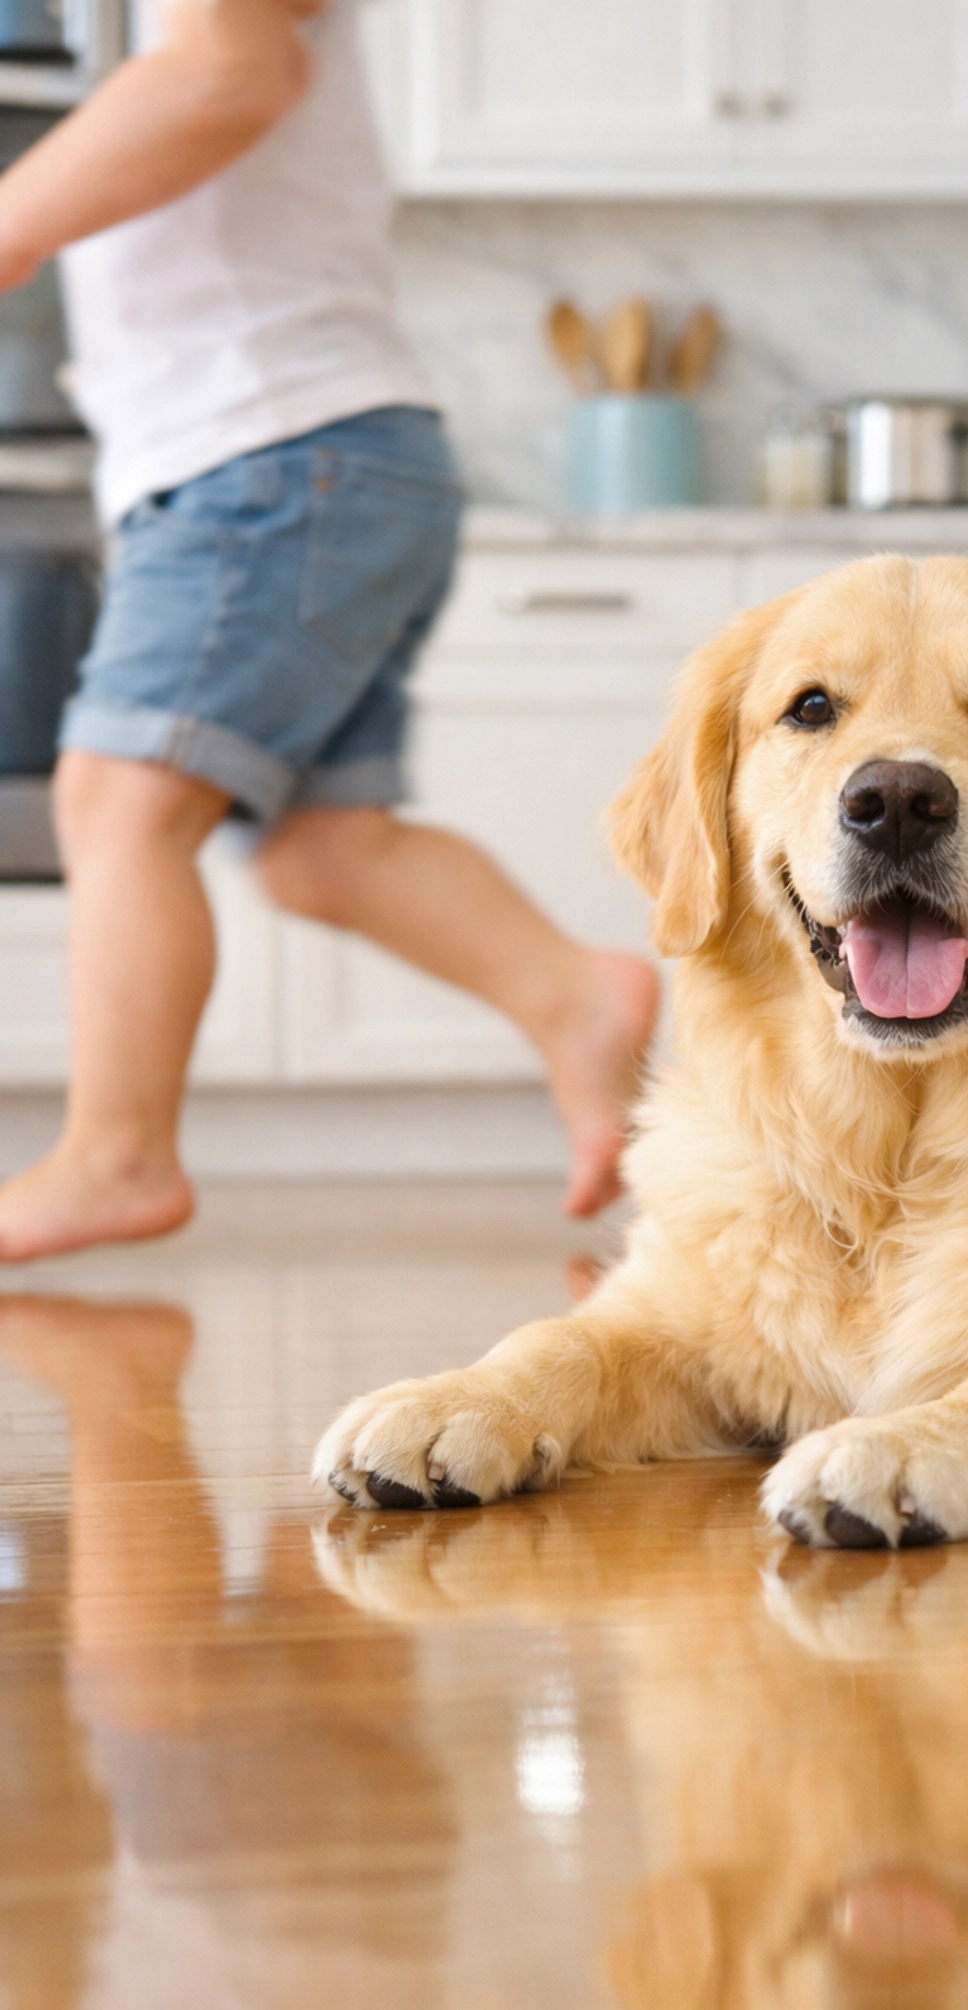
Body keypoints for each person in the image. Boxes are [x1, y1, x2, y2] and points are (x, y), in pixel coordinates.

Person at [0, 0, 658, 1261]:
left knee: (116, 800)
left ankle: (116, 1154)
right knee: (325, 849)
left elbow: (231, 73)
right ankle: (573, 999)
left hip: (268, 454)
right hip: (320, 457)